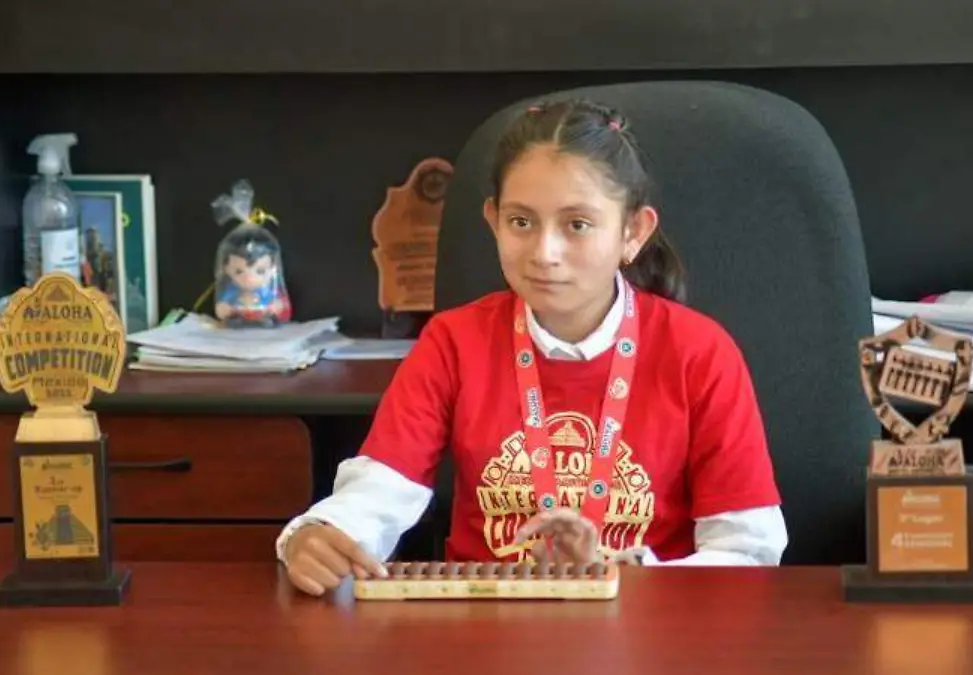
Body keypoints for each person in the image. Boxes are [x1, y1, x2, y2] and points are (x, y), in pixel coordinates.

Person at [277, 99, 788, 596]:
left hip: (646, 624)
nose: (545, 253)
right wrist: (321, 532)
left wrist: (628, 575)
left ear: (633, 232)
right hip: (482, 622)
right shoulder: (454, 341)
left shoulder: (699, 352)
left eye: (577, 225)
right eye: (521, 222)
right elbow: (381, 490)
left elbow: (747, 551)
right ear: (493, 220)